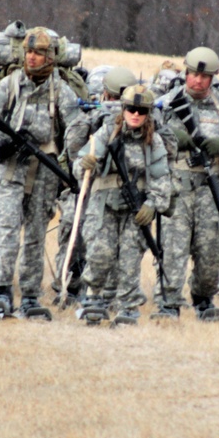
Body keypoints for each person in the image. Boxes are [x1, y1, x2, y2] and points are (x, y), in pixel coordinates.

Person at [0, 27, 80, 316]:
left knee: (36, 234)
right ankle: (0, 288)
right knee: (5, 230)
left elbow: (75, 134)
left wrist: (72, 172)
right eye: (29, 52)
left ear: (50, 57)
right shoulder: (8, 85)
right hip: (9, 170)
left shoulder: (63, 91)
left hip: (44, 173)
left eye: (39, 53)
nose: (33, 58)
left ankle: (29, 295)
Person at [154, 46, 219, 319]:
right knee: (172, 249)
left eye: (204, 76)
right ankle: (168, 303)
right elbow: (146, 135)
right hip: (176, 187)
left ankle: (203, 299)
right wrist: (173, 138)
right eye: (193, 74)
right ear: (185, 73)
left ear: (212, 78)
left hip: (212, 189)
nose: (197, 80)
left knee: (210, 252)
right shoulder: (165, 102)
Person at [73, 85, 170, 322]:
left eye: (141, 111)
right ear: (123, 109)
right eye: (131, 109)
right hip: (104, 204)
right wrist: (86, 163)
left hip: (134, 210)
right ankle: (93, 298)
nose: (135, 115)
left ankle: (128, 306)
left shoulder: (154, 142)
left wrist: (152, 204)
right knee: (100, 253)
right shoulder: (107, 133)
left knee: (130, 258)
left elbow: (162, 179)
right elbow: (80, 166)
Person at [52, 66, 138, 305]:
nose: (114, 103)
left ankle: (109, 291)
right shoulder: (90, 117)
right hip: (84, 187)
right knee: (73, 230)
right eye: (112, 98)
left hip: (116, 191)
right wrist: (93, 123)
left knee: (113, 244)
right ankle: (69, 286)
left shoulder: (140, 120)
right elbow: (72, 151)